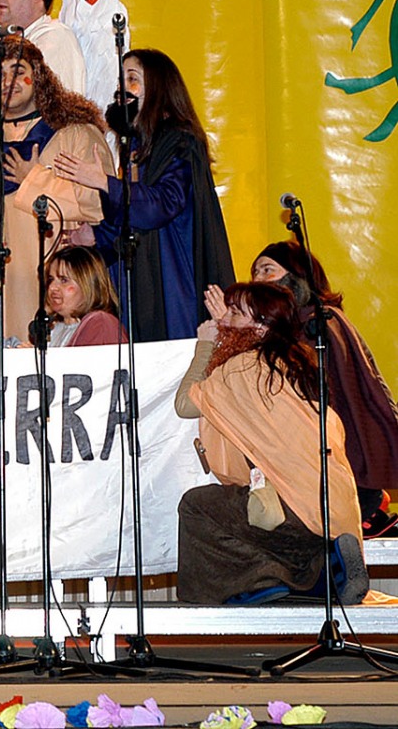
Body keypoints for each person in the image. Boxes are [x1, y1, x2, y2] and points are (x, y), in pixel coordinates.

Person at [175, 282, 366, 605]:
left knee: (197, 505)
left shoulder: (242, 368)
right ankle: (323, 574)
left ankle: (257, 581)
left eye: (235, 313)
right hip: (332, 512)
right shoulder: (296, 365)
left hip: (292, 511)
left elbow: (185, 404)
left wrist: (205, 345)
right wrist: (230, 326)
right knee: (259, 510)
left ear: (262, 328)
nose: (224, 321)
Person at [0, 40, 109, 344]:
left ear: (37, 75)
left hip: (56, 286)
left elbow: (98, 203)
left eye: (18, 71)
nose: (8, 81)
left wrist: (34, 178)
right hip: (1, 284)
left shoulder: (76, 134)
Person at [51, 48, 233, 342]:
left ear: (159, 87)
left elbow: (162, 204)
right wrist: (96, 236)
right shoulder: (136, 147)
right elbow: (130, 216)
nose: (122, 89)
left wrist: (104, 182)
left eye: (133, 79)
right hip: (141, 279)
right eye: (121, 80)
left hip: (172, 281)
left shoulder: (180, 141)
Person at [252, 240, 398, 537]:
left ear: (299, 277)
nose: (257, 280)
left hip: (336, 468)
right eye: (255, 272)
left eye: (268, 270)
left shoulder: (319, 324)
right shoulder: (309, 324)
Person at [44, 245, 126, 347]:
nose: (52, 287)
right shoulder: (54, 330)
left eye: (64, 280)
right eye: (51, 279)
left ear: (88, 285)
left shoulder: (100, 323)